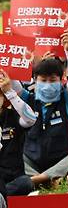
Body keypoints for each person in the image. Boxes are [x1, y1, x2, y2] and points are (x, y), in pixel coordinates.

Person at [20, 54, 68, 189]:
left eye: (52, 80)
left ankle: (41, 179)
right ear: (35, 80)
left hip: (62, 160)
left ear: (61, 80)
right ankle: (45, 179)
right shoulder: (27, 100)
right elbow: (11, 84)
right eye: (43, 80)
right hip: (31, 162)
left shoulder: (67, 100)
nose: (47, 85)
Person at [0, 70, 37, 199]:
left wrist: (10, 92)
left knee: (25, 183)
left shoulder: (11, 116)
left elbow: (31, 119)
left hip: (14, 180)